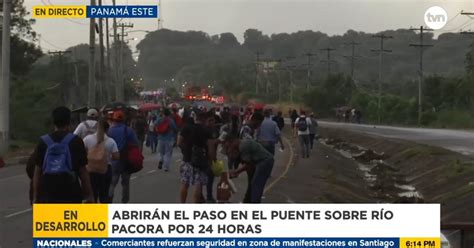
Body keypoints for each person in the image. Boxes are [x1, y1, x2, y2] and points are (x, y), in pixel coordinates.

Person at [33, 106, 94, 203]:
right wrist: (89, 195)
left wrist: (35, 197)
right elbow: (83, 172)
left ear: (53, 121)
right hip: (71, 193)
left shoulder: (43, 141)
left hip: (48, 194)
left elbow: (37, 172)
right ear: (69, 121)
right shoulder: (76, 141)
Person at [177, 112, 215, 203]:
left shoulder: (186, 127)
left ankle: (182, 205)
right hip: (201, 160)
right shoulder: (206, 130)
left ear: (195, 118)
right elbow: (210, 149)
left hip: (187, 159)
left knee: (184, 183)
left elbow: (179, 142)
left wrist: (185, 151)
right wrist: (211, 161)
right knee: (198, 184)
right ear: (204, 119)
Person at [226, 137, 274, 203]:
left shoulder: (242, 146)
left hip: (264, 161)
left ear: (234, 142)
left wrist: (236, 171)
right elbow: (249, 165)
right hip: (261, 162)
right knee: (253, 184)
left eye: (230, 146)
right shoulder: (241, 146)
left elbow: (248, 164)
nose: (230, 149)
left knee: (256, 186)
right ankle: (249, 201)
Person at [83, 120, 119, 203]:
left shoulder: (87, 139)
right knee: (104, 194)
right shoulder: (110, 141)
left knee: (92, 194)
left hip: (91, 170)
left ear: (96, 128)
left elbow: (82, 153)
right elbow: (116, 156)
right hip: (105, 170)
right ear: (107, 129)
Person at [108, 110, 139, 203]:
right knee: (125, 183)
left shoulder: (109, 130)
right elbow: (136, 144)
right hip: (126, 160)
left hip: (113, 160)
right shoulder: (128, 130)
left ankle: (109, 200)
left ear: (113, 119)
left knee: (112, 182)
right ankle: (124, 202)